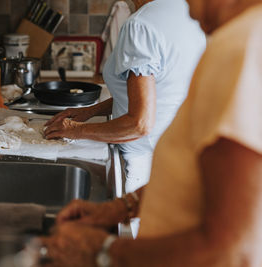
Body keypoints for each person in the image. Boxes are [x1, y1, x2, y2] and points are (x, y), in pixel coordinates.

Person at [40, 0, 262, 266]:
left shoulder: (244, 47)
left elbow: (233, 250)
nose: (189, 10)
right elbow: (205, 178)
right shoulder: (234, 39)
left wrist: (103, 250)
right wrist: (120, 207)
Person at [45, 0, 205, 194]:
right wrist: (90, 111)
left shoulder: (140, 25)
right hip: (179, 156)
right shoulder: (188, 11)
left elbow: (139, 124)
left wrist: (75, 130)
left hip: (142, 167)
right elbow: (157, 93)